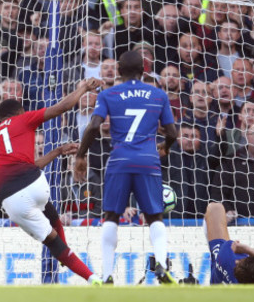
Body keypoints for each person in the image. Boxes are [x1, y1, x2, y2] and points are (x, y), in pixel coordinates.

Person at [0, 77, 103, 285]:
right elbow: (62, 107)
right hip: (36, 184)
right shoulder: (23, 119)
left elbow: (20, 166)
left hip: (12, 201)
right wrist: (82, 88)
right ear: (19, 112)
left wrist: (57, 151)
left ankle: (92, 278)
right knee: (52, 215)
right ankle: (67, 256)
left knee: (54, 243)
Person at [74, 51, 178, 285]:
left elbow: (93, 126)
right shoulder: (158, 94)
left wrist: (81, 155)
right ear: (144, 70)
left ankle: (108, 274)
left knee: (111, 215)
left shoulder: (109, 94)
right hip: (148, 161)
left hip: (119, 161)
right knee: (155, 216)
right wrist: (166, 146)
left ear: (119, 71)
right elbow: (172, 132)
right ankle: (161, 264)